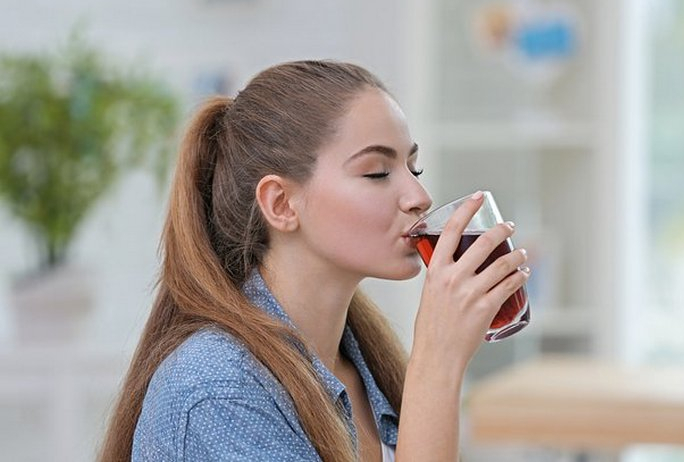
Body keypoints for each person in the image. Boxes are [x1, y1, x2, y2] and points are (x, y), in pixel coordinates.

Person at [99, 60, 529, 462]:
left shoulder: (364, 367)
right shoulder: (218, 390)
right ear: (281, 203)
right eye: (377, 172)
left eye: (413, 169)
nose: (420, 197)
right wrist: (437, 364)